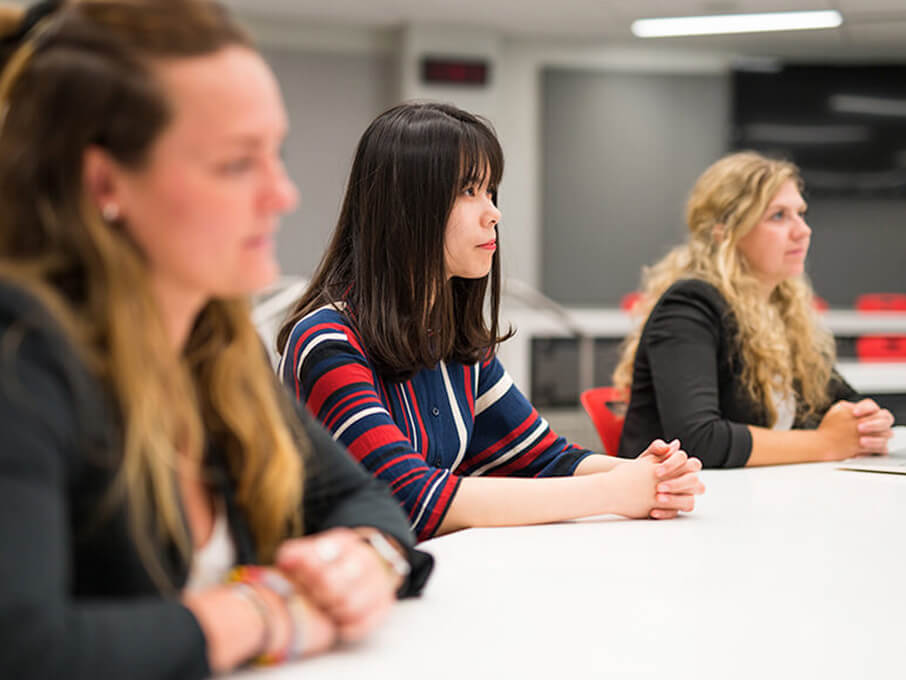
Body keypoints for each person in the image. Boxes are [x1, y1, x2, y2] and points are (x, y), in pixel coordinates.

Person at [0, 1, 432, 678]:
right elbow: (24, 648)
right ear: (104, 183)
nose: (282, 193)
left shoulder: (212, 344)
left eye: (276, 155)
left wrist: (365, 559)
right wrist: (262, 613)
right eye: (236, 165)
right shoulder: (20, 356)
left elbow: (362, 495)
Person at [276, 102, 705, 542]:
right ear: (407, 206)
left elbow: (542, 456)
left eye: (490, 191)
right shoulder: (327, 342)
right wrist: (613, 492)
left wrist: (650, 474)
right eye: (468, 191)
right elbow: (410, 500)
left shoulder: (452, 341)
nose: (493, 212)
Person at [614, 151, 895, 468]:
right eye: (778, 216)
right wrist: (826, 443)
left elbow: (840, 399)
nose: (803, 230)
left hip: (749, 496)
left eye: (800, 213)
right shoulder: (689, 307)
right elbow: (699, 440)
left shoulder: (781, 308)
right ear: (724, 231)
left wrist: (867, 423)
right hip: (679, 506)